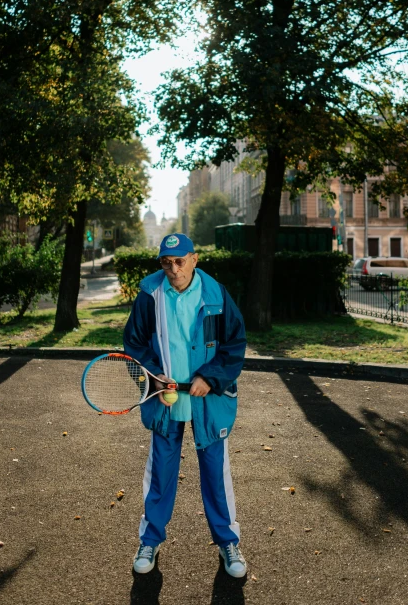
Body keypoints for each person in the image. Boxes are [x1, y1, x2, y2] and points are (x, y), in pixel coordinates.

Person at [123, 232, 247, 578]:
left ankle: (228, 543)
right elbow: (134, 344)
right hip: (166, 398)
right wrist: (154, 378)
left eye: (179, 261)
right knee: (160, 473)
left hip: (208, 400)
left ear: (194, 259)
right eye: (166, 262)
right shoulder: (150, 294)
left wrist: (210, 377)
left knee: (215, 475)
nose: (173, 269)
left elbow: (234, 343)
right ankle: (150, 539)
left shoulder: (216, 295)